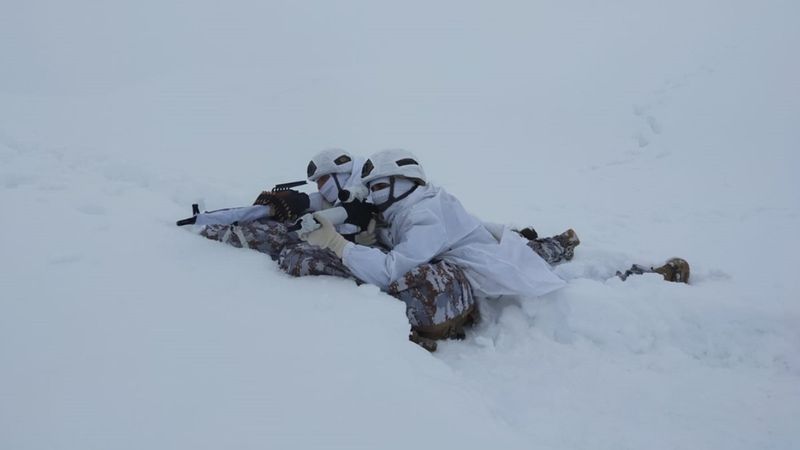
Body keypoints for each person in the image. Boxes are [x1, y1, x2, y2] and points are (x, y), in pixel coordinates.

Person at [196, 149, 376, 278]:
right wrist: (293, 202)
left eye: (323, 179)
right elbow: (313, 203)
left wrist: (354, 240)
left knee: (290, 248)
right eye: (317, 182)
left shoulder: (371, 198)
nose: (320, 187)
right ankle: (218, 230)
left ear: (342, 174)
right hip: (336, 249)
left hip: (360, 264)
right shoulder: (332, 198)